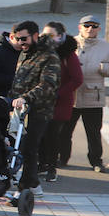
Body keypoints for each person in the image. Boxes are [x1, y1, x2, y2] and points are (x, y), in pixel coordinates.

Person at [7, 21, 62, 193]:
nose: (20, 42)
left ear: (35, 36)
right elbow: (20, 79)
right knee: (21, 146)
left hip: (39, 110)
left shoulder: (49, 56)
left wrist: (25, 98)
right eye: (17, 39)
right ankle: (31, 183)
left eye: (24, 38)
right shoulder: (26, 53)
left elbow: (47, 84)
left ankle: (28, 186)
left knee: (30, 147)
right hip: (21, 109)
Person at [66, 15, 109, 173]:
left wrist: (102, 67)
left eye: (94, 26)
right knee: (64, 131)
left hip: (93, 96)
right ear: (80, 27)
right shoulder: (70, 43)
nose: (90, 29)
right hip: (72, 95)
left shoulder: (105, 46)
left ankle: (96, 161)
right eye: (87, 25)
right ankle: (61, 158)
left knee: (94, 133)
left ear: (99, 29)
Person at [41, 22, 82, 183]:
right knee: (40, 135)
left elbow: (77, 79)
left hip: (60, 103)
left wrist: (58, 94)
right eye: (44, 35)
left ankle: (52, 167)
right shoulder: (42, 51)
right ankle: (41, 164)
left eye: (50, 35)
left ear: (60, 36)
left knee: (53, 136)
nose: (46, 38)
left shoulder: (68, 54)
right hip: (42, 100)